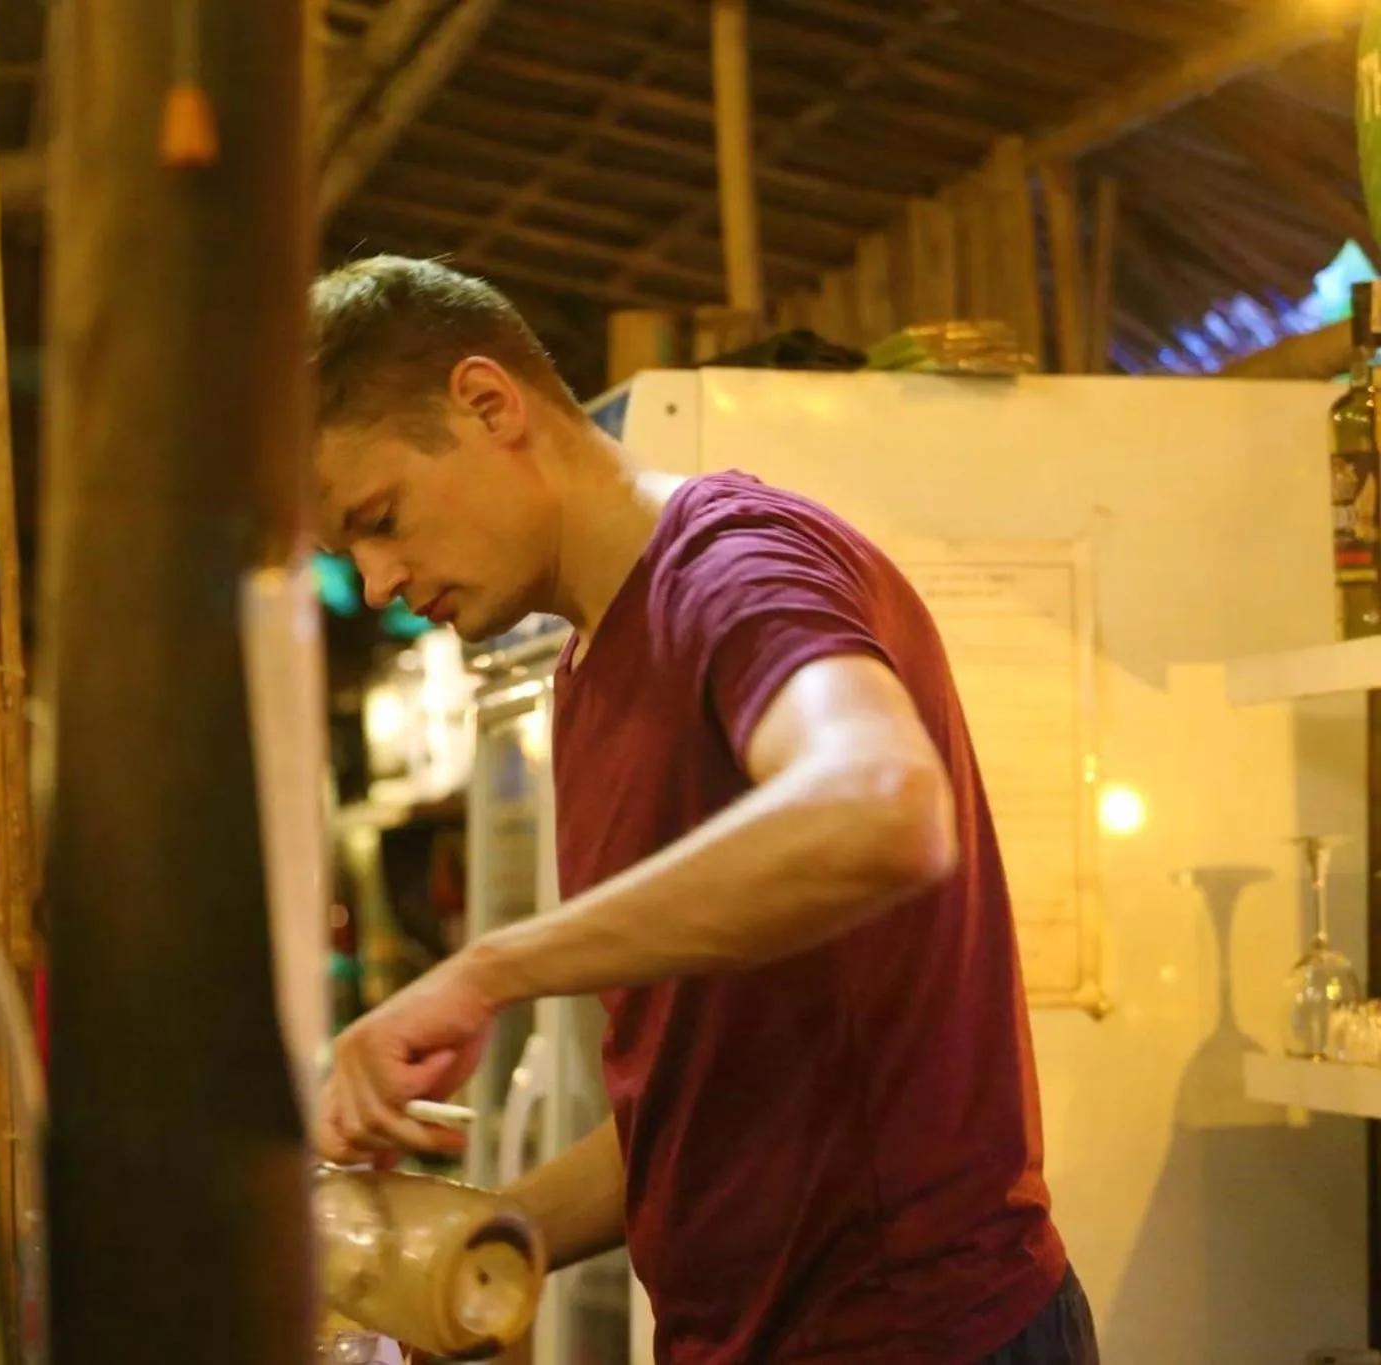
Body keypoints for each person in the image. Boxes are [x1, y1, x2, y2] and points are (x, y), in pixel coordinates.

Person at [308, 255, 1096, 1365]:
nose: (378, 581)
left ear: (487, 405)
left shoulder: (730, 569)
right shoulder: (588, 676)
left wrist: (488, 969)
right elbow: (692, 1118)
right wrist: (459, 1253)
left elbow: (880, 806)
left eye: (378, 518)